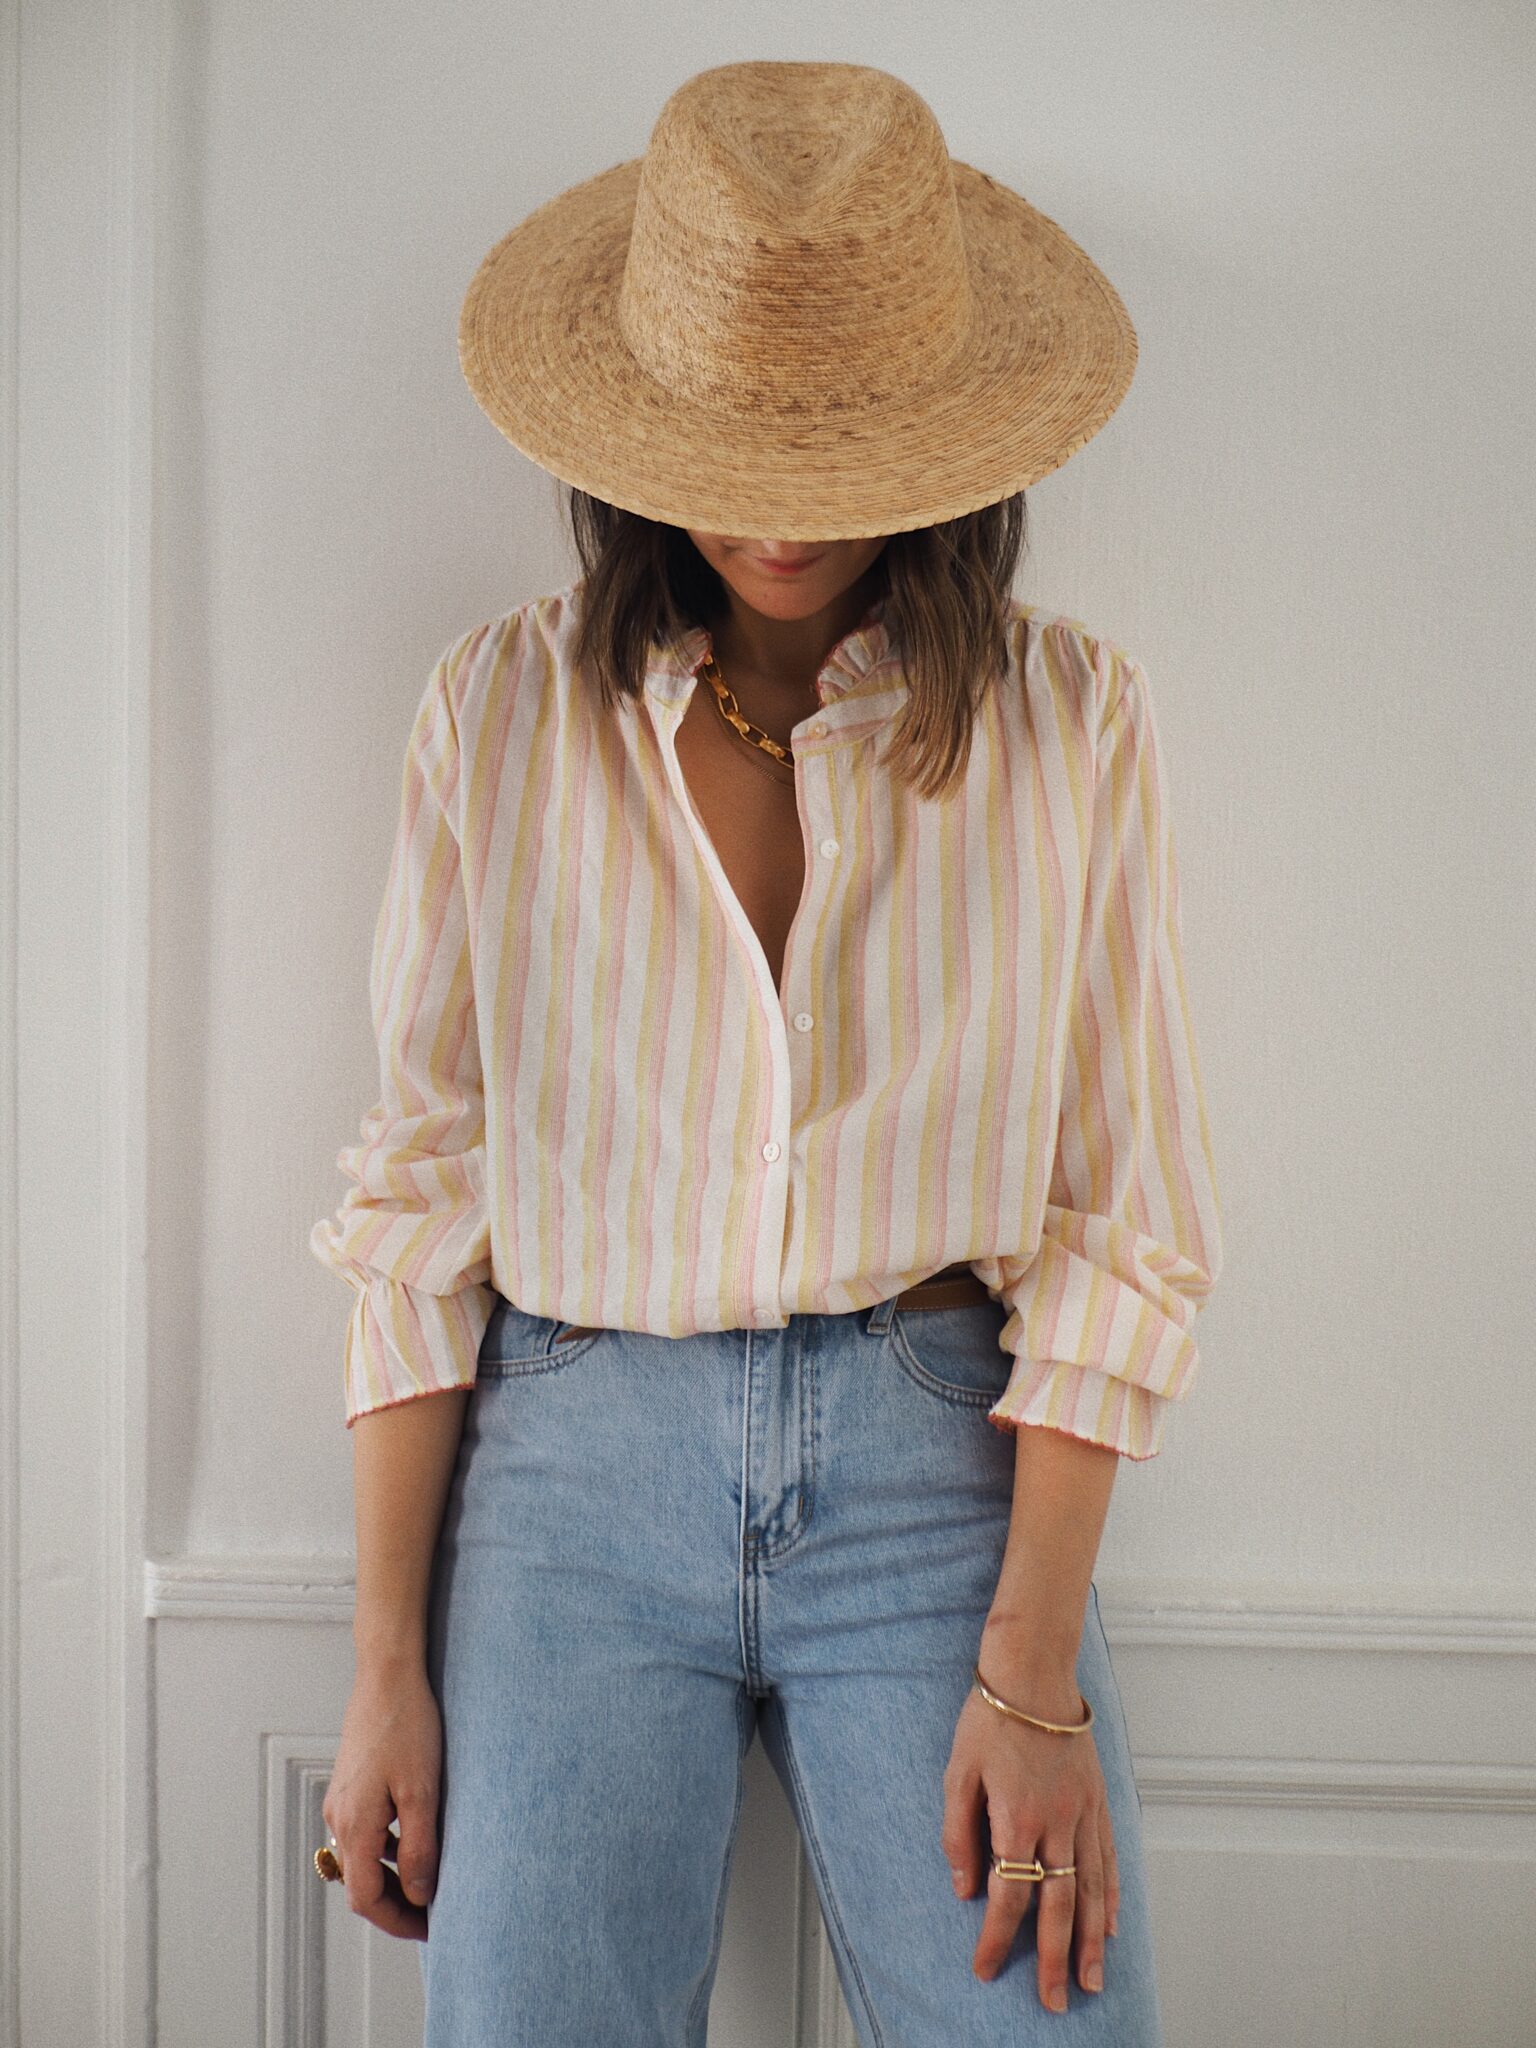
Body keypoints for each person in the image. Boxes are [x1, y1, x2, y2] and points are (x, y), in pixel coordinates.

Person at [308, 58, 1222, 2047]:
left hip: (940, 1461)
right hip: (572, 1465)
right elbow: (419, 1199)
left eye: (840, 447)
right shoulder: (499, 714)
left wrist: (1034, 1674)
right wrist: (383, 1665)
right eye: (731, 443)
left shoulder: (1074, 724)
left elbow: (1122, 1215)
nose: (786, 512)